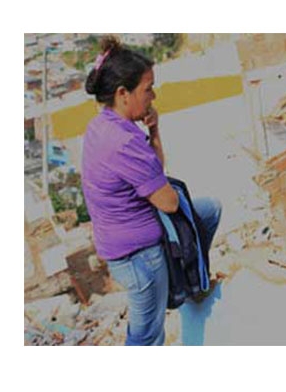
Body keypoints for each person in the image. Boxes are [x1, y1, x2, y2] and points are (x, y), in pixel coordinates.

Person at [82, 36, 222, 346]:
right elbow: (168, 201)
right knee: (147, 338)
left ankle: (191, 286)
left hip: (123, 239)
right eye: (148, 89)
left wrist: (154, 131)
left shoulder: (102, 125)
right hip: (138, 256)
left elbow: (152, 171)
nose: (153, 96)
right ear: (123, 93)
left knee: (209, 210)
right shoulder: (123, 142)